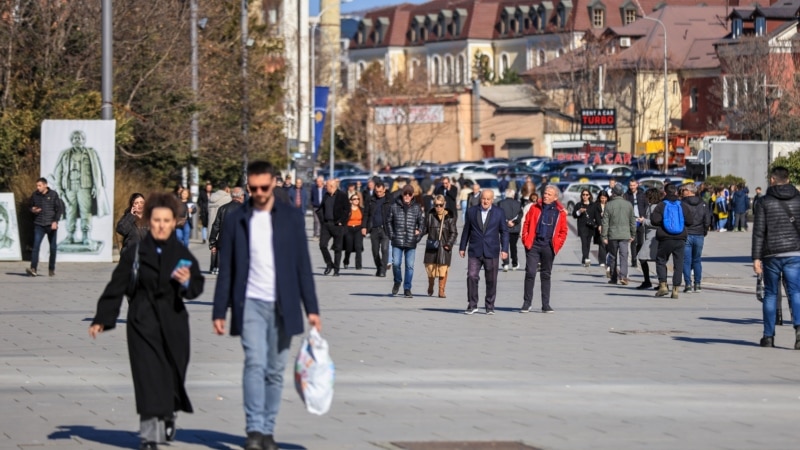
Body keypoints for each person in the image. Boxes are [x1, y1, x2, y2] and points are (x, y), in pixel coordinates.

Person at [212, 161, 320, 450]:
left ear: (273, 184)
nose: (258, 193)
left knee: (274, 369)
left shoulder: (291, 218)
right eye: (252, 188)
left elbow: (302, 265)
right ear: (248, 187)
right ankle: (254, 429)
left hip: (283, 303)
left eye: (263, 187)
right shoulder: (237, 219)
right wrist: (219, 310)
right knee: (255, 362)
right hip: (249, 303)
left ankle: (268, 429)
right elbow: (227, 268)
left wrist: (312, 308)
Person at [89, 192, 205, 450]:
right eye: (157, 220)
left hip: (174, 324)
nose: (162, 225)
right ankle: (150, 435)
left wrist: (187, 281)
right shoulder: (136, 252)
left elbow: (195, 287)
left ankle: (169, 413)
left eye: (167, 221)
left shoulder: (180, 253)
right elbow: (117, 284)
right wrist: (103, 317)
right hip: (142, 323)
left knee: (172, 374)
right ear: (149, 222)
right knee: (147, 378)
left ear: (173, 222)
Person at [751, 166, 800, 348]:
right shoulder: (799, 199)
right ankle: (799, 331)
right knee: (796, 292)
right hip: (795, 253)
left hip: (771, 254)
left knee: (771, 294)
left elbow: (758, 232)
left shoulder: (764, 202)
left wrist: (756, 258)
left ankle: (768, 336)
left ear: (772, 180)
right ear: (788, 178)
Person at [52, 130, 110, 248]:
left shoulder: (90, 153)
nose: (77, 140)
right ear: (71, 140)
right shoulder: (65, 154)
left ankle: (86, 236)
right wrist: (58, 188)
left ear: (84, 140)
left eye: (80, 138)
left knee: (86, 212)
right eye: (75, 138)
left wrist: (96, 186)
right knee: (70, 212)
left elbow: (97, 171)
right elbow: (58, 172)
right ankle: (70, 235)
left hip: (85, 187)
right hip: (69, 187)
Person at [459, 189, 509, 315]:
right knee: (471, 276)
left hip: (491, 250)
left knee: (491, 279)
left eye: (488, 199)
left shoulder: (499, 212)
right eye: (483, 198)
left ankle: (490, 305)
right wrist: (462, 247)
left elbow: (504, 232)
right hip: (475, 250)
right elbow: (466, 230)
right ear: (480, 199)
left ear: (492, 200)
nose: (485, 201)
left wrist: (504, 249)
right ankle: (472, 304)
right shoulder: (471, 211)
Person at [519, 185, 568, 313]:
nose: (545, 196)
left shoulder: (559, 212)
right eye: (545, 193)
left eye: (549, 194)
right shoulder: (535, 207)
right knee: (530, 272)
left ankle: (545, 304)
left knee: (546, 275)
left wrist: (557, 245)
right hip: (534, 244)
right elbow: (527, 223)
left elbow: (563, 231)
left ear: (555, 197)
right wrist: (525, 238)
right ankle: (527, 302)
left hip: (548, 246)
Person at [650, 183, 694, 298]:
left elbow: (654, 220)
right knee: (678, 263)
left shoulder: (661, 205)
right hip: (680, 238)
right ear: (676, 192)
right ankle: (676, 289)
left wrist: (664, 222)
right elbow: (690, 221)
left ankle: (663, 286)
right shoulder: (683, 205)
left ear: (665, 192)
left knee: (660, 260)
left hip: (665, 237)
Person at [386, 184, 425, 297]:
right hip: (397, 240)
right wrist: (392, 235)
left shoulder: (416, 207)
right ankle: (397, 281)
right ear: (402, 194)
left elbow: (422, 223)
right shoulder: (394, 206)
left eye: (409, 194)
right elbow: (388, 221)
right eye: (405, 194)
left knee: (410, 266)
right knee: (396, 264)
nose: (407, 196)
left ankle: (407, 288)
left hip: (410, 241)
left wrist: (418, 235)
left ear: (413, 195)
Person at [423, 194, 458, 297]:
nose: (438, 207)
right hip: (432, 245)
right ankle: (431, 285)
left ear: (444, 204)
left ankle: (441, 290)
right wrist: (417, 234)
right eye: (436, 205)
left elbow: (454, 232)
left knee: (443, 268)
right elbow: (425, 229)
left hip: (444, 246)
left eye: (440, 205)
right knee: (431, 268)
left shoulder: (450, 217)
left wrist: (449, 244)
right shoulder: (430, 215)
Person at [601, 184, 636, 285]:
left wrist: (604, 236)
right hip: (625, 234)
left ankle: (613, 277)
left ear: (614, 193)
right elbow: (632, 221)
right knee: (624, 256)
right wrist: (633, 234)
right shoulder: (628, 204)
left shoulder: (609, 205)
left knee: (613, 256)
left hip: (613, 234)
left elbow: (605, 222)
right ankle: (623, 276)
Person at [28, 177, 62, 277]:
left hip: (51, 225)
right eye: (37, 186)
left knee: (53, 248)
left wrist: (55, 221)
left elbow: (59, 209)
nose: (38, 188)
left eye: (40, 186)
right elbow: (30, 206)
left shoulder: (53, 194)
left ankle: (51, 268)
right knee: (36, 247)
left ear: (45, 185)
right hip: (39, 224)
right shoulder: (35, 195)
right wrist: (33, 210)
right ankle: (33, 268)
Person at [681, 183, 712, 293]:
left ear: (689, 191)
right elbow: (707, 220)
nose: (682, 191)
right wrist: (704, 231)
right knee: (697, 260)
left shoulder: (682, 203)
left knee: (686, 260)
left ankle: (688, 284)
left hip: (687, 233)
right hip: (699, 234)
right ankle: (697, 284)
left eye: (684, 189)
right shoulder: (703, 203)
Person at [208, 187, 245, 275]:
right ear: (241, 197)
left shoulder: (223, 208)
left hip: (223, 240)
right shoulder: (244, 209)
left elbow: (216, 226)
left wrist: (213, 242)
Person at [317, 179, 349, 276]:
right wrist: (322, 220)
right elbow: (321, 208)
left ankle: (336, 270)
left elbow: (347, 210)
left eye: (326, 185)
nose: (325, 187)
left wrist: (341, 221)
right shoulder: (326, 195)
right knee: (322, 245)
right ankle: (329, 264)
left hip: (337, 226)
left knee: (337, 248)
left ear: (332, 186)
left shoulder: (342, 195)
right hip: (326, 225)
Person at [635, 188, 663, 290]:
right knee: (658, 259)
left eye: (647, 196)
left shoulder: (655, 207)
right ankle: (661, 282)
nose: (646, 198)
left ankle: (649, 281)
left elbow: (656, 222)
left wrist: (644, 221)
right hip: (651, 236)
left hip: (654, 236)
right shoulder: (652, 206)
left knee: (642, 257)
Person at [207, 182, 231, 274]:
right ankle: (217, 266)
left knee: (213, 247)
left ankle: (212, 267)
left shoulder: (211, 198)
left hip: (211, 224)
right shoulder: (227, 198)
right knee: (220, 248)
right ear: (226, 188)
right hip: (220, 225)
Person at [497, 188, 523, 271]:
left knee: (504, 246)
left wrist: (506, 221)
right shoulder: (518, 204)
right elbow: (520, 215)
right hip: (515, 228)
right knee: (513, 246)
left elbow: (498, 215)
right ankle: (514, 263)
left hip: (504, 227)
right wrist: (514, 222)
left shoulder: (500, 203)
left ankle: (505, 263)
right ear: (513, 195)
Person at [624, 179, 647, 268]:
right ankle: (634, 260)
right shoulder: (626, 195)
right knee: (633, 241)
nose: (632, 187)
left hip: (640, 220)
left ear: (637, 185)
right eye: (630, 185)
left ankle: (637, 255)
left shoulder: (642, 194)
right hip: (632, 221)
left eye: (633, 185)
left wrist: (644, 216)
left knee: (641, 242)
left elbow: (646, 206)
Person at [572, 189, 595, 267]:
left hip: (590, 227)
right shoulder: (579, 205)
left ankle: (584, 258)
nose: (585, 196)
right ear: (581, 196)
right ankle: (586, 258)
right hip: (582, 227)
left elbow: (596, 215)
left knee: (588, 243)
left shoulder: (593, 205)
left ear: (589, 196)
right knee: (584, 242)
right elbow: (574, 215)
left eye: (586, 194)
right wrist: (579, 211)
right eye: (583, 195)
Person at [343, 194, 366, 270]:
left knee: (358, 247)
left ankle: (358, 265)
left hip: (358, 229)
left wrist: (364, 227)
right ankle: (346, 261)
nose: (356, 200)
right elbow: (343, 219)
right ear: (351, 201)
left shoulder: (362, 209)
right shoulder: (347, 210)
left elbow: (365, 219)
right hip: (349, 229)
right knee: (349, 247)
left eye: (358, 199)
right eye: (354, 199)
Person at [589, 191, 609, 268]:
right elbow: (592, 216)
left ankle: (608, 259)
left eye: (605, 198)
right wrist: (597, 224)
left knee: (609, 245)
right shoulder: (596, 205)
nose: (603, 200)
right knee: (602, 244)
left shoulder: (610, 204)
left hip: (609, 227)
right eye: (602, 198)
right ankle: (602, 261)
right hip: (600, 227)